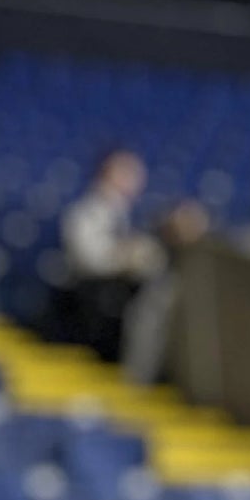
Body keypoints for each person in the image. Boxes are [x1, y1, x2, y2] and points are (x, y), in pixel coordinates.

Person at [58, 147, 164, 364]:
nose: (135, 180)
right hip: (94, 302)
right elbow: (90, 260)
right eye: (127, 172)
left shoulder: (129, 214)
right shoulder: (85, 212)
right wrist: (125, 256)